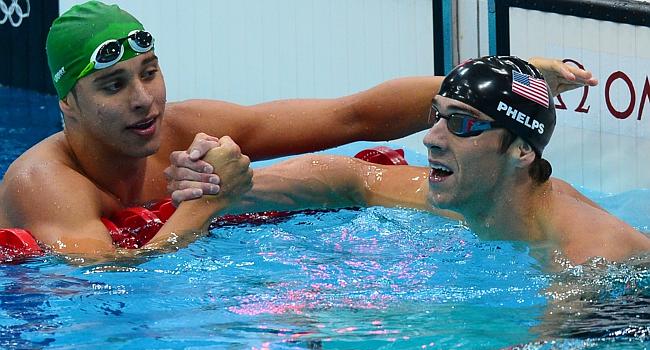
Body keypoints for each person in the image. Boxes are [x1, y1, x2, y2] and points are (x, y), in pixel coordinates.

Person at [0, 1, 594, 261]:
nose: (143, 101)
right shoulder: (45, 183)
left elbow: (351, 116)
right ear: (68, 104)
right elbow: (105, 289)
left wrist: (511, 80)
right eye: (112, 86)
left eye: (149, 74)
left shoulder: (185, 126)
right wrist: (212, 203)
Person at [199, 56, 650, 265]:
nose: (431, 138)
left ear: (521, 150)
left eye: (462, 123)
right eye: (438, 115)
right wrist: (231, 186)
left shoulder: (587, 259)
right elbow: (351, 177)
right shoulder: (477, 193)